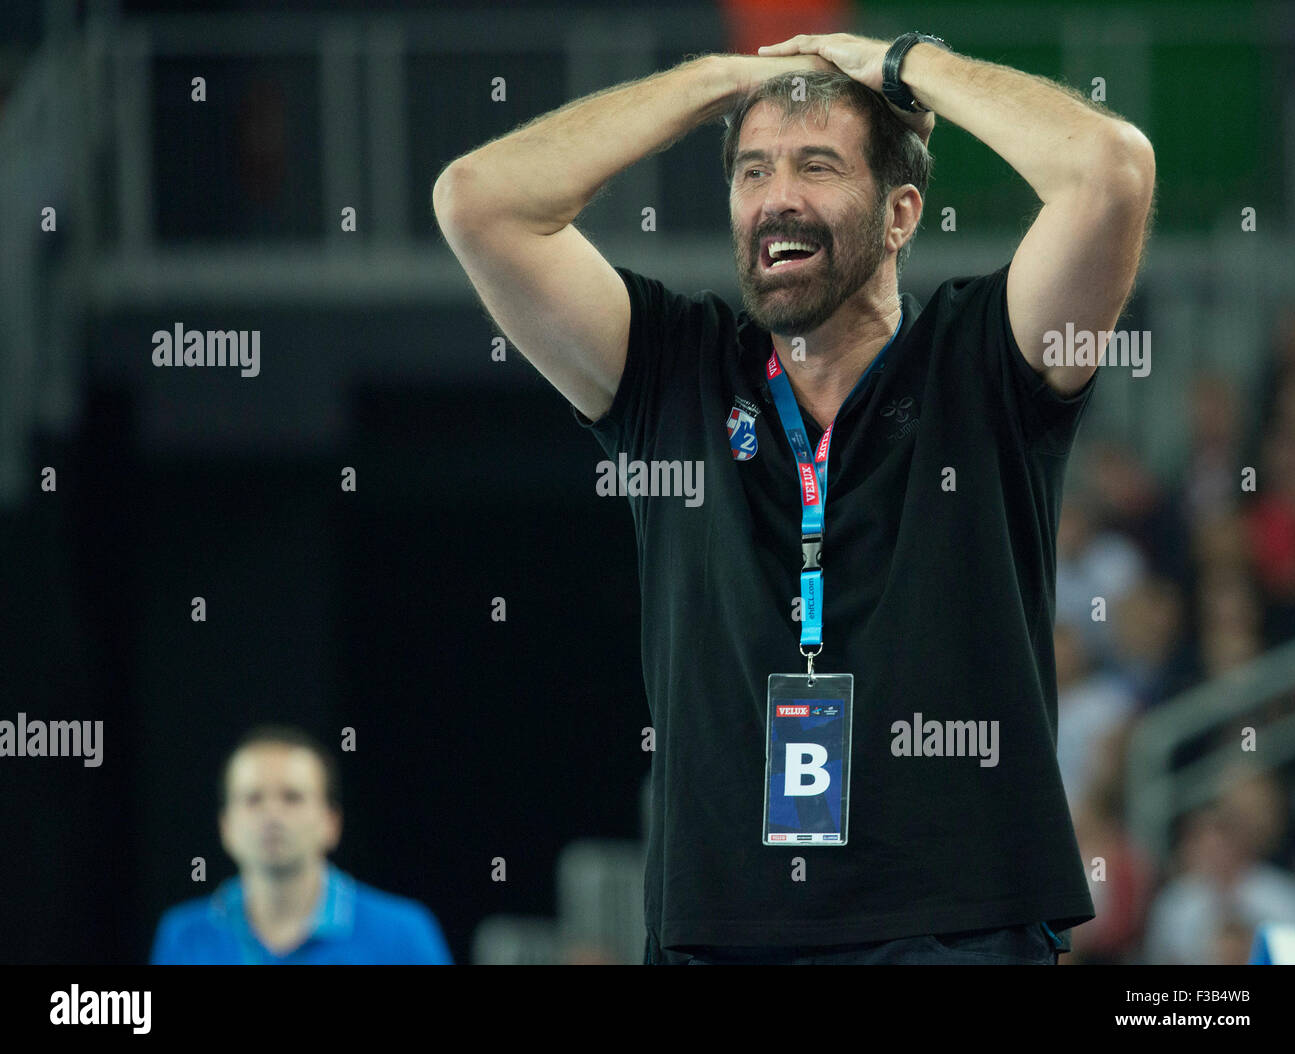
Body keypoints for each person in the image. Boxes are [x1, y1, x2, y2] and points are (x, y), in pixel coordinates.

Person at [433, 31, 1154, 964]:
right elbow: (478, 202)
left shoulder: (983, 361)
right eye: (752, 171)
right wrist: (717, 82)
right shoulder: (672, 373)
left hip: (958, 932)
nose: (779, 197)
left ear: (901, 214)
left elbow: (1112, 169)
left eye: (818, 166)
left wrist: (904, 65)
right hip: (720, 938)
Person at [150, 725, 453, 964]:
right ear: (226, 826)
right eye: (253, 798)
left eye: (292, 797)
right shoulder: (185, 935)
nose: (272, 815)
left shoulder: (403, 934)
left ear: (331, 822)